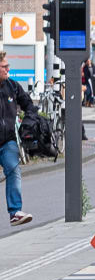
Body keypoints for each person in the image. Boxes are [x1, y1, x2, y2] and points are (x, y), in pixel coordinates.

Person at [0, 52, 36, 226]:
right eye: (4, 66)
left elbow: (29, 105)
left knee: (14, 170)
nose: (8, 69)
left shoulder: (12, 86)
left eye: (8, 65)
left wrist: (28, 123)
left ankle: (15, 212)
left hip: (7, 140)